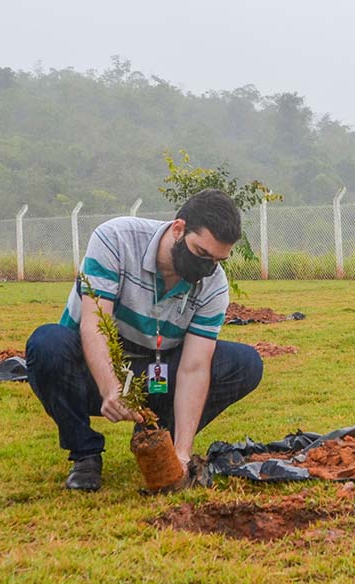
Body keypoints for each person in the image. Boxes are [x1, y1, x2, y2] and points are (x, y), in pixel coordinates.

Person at [25, 189, 263, 491]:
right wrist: (110, 386)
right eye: (201, 254)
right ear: (178, 229)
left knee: (244, 363)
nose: (206, 268)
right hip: (90, 367)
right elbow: (95, 322)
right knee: (47, 344)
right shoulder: (116, 239)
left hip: (154, 373)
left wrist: (182, 452)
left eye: (217, 260)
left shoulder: (213, 285)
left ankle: (157, 435)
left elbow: (194, 367)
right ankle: (85, 455)